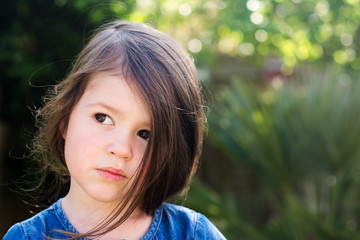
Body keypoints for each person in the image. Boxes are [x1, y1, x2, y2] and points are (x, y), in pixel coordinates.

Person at [3, 21, 226, 239]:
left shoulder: (193, 234)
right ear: (65, 119)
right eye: (103, 118)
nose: (121, 149)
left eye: (145, 134)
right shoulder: (27, 236)